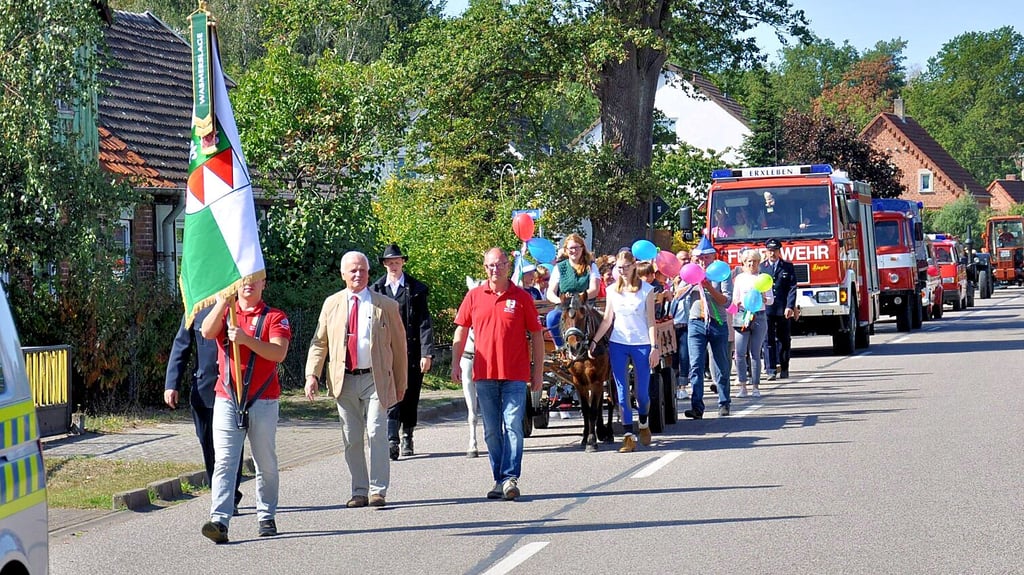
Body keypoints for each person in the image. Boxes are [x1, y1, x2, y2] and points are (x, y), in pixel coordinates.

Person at [305, 252, 408, 509]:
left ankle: (377, 490)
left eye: (362, 270)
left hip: (376, 378)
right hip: (344, 379)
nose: (358, 274)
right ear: (343, 274)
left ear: (369, 273)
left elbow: (399, 347)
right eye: (353, 270)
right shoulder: (331, 304)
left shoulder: (385, 305)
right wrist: (312, 375)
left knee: (376, 431)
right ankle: (359, 490)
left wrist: (401, 383)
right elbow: (319, 342)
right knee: (351, 437)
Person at [199, 277, 292, 543]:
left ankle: (266, 515)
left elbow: (278, 353)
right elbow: (206, 332)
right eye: (242, 280)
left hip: (263, 399)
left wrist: (246, 339)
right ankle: (219, 520)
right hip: (227, 397)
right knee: (225, 461)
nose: (247, 284)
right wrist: (221, 303)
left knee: (265, 462)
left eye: (254, 280)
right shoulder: (227, 313)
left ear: (264, 283)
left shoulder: (274, 316)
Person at [451, 248, 544, 501]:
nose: (495, 269)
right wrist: (455, 363)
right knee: (492, 431)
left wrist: (537, 371)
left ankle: (510, 478)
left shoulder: (521, 297)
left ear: (508, 266)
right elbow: (461, 330)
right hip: (484, 374)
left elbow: (536, 335)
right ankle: (499, 478)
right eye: (491, 265)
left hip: (515, 374)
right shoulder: (474, 296)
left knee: (513, 425)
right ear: (485, 268)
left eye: (500, 264)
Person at [164, 306, 243, 515]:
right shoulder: (196, 308)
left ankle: (229, 496)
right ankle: (219, 490)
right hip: (205, 388)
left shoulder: (238, 307)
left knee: (230, 445)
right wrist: (172, 384)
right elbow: (181, 345)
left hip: (232, 388)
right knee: (207, 443)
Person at [370, 244, 434, 461]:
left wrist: (427, 353)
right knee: (390, 394)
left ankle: (407, 434)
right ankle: (392, 439)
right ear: (384, 265)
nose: (394, 266)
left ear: (403, 263)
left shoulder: (416, 289)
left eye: (397, 262)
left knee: (410, 394)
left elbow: (424, 322)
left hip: (412, 352)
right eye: (390, 262)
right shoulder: (376, 290)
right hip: (386, 353)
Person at [591, 249, 659, 452]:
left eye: (626, 267)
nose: (622, 271)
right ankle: (628, 436)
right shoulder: (612, 290)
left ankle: (644, 421)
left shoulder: (646, 290)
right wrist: (595, 340)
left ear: (634, 266)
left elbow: (651, 321)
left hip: (641, 343)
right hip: (618, 343)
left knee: (641, 393)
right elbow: (607, 319)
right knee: (621, 391)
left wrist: (654, 347)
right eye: (619, 268)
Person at [684, 236, 733, 419]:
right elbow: (677, 295)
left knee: (721, 364)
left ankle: (724, 402)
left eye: (706, 257)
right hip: (696, 322)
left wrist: (709, 287)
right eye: (700, 258)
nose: (703, 261)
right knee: (695, 364)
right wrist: (692, 284)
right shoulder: (690, 272)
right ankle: (697, 407)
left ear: (713, 257)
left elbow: (726, 301)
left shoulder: (722, 272)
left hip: (717, 322)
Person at [545, 234, 600, 347]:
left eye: (577, 247)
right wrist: (560, 301)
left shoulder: (591, 266)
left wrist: (579, 298)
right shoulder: (559, 267)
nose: (574, 251)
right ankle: (561, 347)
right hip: (565, 305)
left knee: (594, 319)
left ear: (582, 248)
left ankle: (596, 345)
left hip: (585, 303)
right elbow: (550, 292)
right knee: (552, 317)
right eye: (571, 248)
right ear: (566, 250)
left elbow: (594, 289)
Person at [732, 249, 773, 398]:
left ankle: (756, 386)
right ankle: (743, 385)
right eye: (749, 261)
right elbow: (735, 298)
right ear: (744, 262)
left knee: (755, 353)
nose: (752, 264)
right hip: (743, 315)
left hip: (759, 315)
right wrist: (737, 302)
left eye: (755, 261)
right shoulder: (740, 278)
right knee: (740, 352)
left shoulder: (763, 278)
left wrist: (764, 298)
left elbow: (771, 300)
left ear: (759, 262)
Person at [760, 238, 798, 380]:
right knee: (767, 339)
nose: (772, 253)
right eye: (770, 251)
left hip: (783, 309)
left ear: (779, 251)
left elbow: (792, 288)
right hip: (767, 309)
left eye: (775, 251)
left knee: (784, 339)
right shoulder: (762, 268)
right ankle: (770, 369)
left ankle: (784, 367)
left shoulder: (787, 266)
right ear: (766, 252)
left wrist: (790, 306)